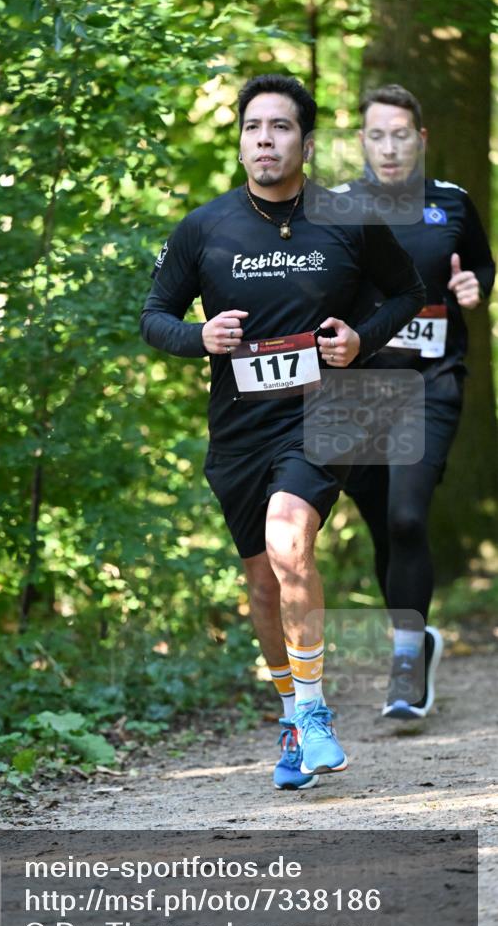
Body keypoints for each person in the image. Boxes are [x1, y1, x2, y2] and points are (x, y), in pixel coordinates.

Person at [140, 74, 425, 790]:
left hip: (324, 414)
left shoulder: (347, 218)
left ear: (305, 140)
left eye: (279, 127)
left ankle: (316, 710)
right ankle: (292, 718)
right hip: (238, 430)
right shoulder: (204, 228)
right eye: (251, 128)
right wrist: (199, 336)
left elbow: (406, 293)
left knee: (289, 538)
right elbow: (154, 318)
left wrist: (358, 341)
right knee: (265, 586)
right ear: (239, 140)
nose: (263, 140)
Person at [337, 84, 495, 720]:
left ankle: (405, 664)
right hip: (359, 388)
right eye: (377, 135)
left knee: (407, 517)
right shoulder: (339, 206)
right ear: (363, 141)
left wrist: (471, 285)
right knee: (381, 521)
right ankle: (416, 637)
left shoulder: (451, 202)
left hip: (431, 382)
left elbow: (483, 266)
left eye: (401, 134)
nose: (390, 147)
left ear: (421, 139)